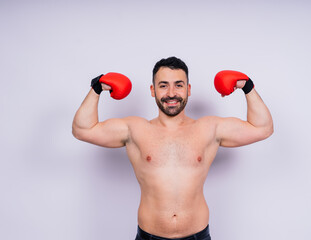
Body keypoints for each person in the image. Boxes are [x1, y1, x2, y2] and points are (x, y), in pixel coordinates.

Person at [72, 56, 273, 240]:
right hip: (149, 236)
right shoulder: (135, 129)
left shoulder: (209, 128)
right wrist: (96, 88)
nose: (171, 93)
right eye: (163, 86)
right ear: (153, 91)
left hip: (197, 236)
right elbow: (83, 129)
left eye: (178, 85)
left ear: (188, 90)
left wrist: (247, 86)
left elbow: (262, 128)